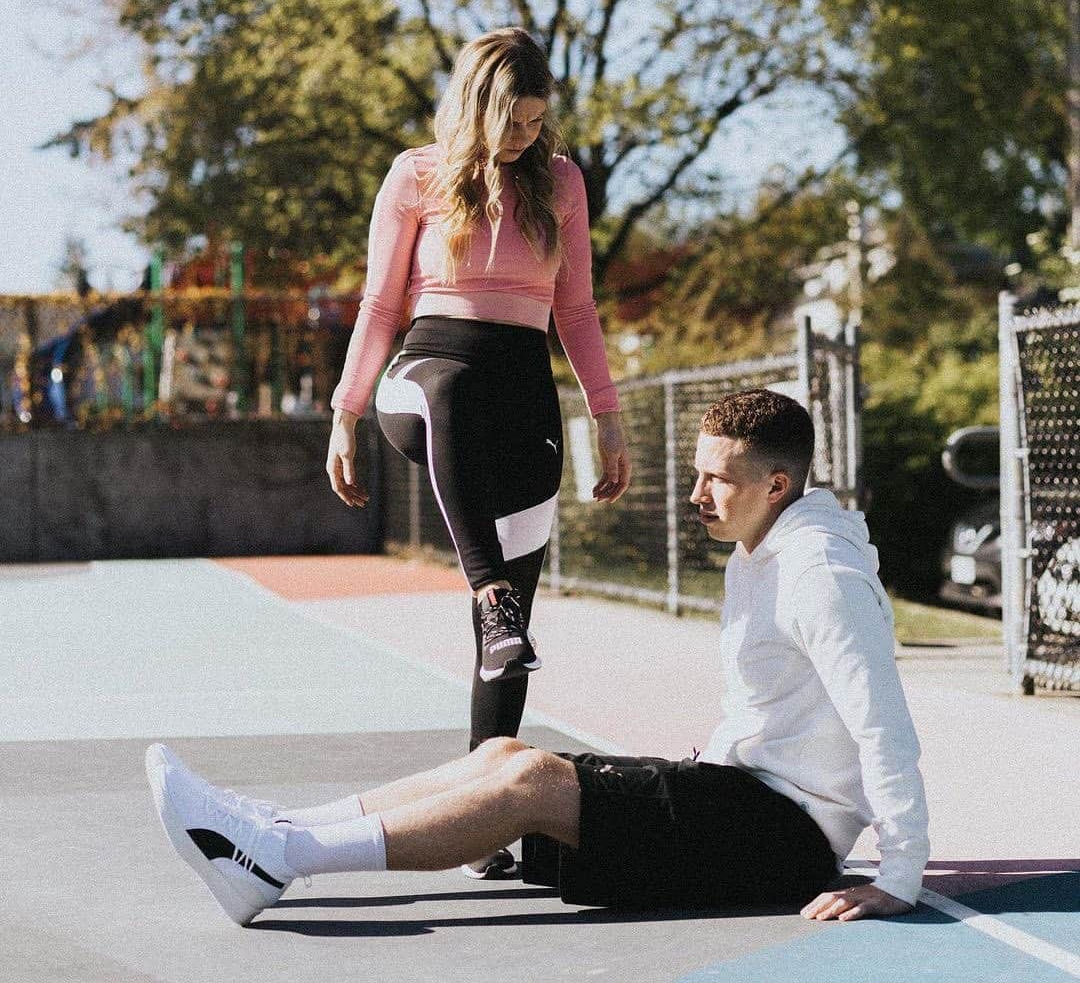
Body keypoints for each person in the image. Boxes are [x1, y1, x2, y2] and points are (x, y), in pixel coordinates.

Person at [146, 389, 929, 926]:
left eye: (717, 480)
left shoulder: (821, 577)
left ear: (778, 483)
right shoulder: (757, 555)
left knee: (527, 785)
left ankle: (276, 858)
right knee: (504, 753)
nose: (697, 494)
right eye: (698, 473)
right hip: (739, 797)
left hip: (784, 840)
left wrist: (897, 876)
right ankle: (277, 824)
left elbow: (882, 727)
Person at [325, 27, 630, 877]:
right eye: (511, 119)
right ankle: (487, 588)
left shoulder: (561, 183)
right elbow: (380, 304)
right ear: (474, 104)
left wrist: (607, 414)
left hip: (523, 397)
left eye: (537, 122)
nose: (524, 136)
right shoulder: (416, 175)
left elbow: (577, 312)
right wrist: (346, 413)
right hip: (424, 379)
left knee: (506, 644)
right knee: (448, 399)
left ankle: (483, 820)